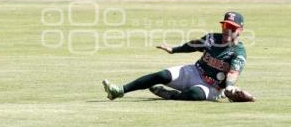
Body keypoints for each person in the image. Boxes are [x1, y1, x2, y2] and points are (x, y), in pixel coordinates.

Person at [103, 12, 247, 101]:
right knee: (162, 75)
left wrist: (228, 87)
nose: (228, 30)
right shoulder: (211, 38)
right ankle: (119, 90)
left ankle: (170, 95)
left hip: (212, 87)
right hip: (195, 71)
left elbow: (233, 73)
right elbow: (193, 45)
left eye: (232, 28)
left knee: (194, 94)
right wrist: (174, 50)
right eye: (225, 26)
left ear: (240, 30)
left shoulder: (238, 52)